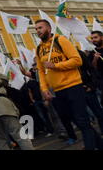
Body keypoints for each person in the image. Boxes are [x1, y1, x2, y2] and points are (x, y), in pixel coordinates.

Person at [35, 19, 101, 150]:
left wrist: (56, 65)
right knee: (77, 121)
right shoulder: (39, 49)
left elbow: (77, 60)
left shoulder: (61, 41)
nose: (38, 31)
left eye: (40, 28)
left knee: (82, 121)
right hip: (58, 91)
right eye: (36, 29)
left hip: (73, 86)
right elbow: (41, 71)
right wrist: (44, 88)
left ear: (48, 28)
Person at [26, 67, 55, 137]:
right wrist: (32, 99)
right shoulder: (29, 83)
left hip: (43, 99)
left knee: (51, 114)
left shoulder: (38, 80)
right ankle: (50, 130)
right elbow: (29, 92)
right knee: (43, 116)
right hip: (37, 101)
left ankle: (57, 128)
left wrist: (45, 98)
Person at [89, 30, 103, 105]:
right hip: (101, 81)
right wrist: (95, 59)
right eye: (92, 38)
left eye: (95, 37)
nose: (93, 40)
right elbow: (93, 68)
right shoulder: (92, 53)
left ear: (101, 38)